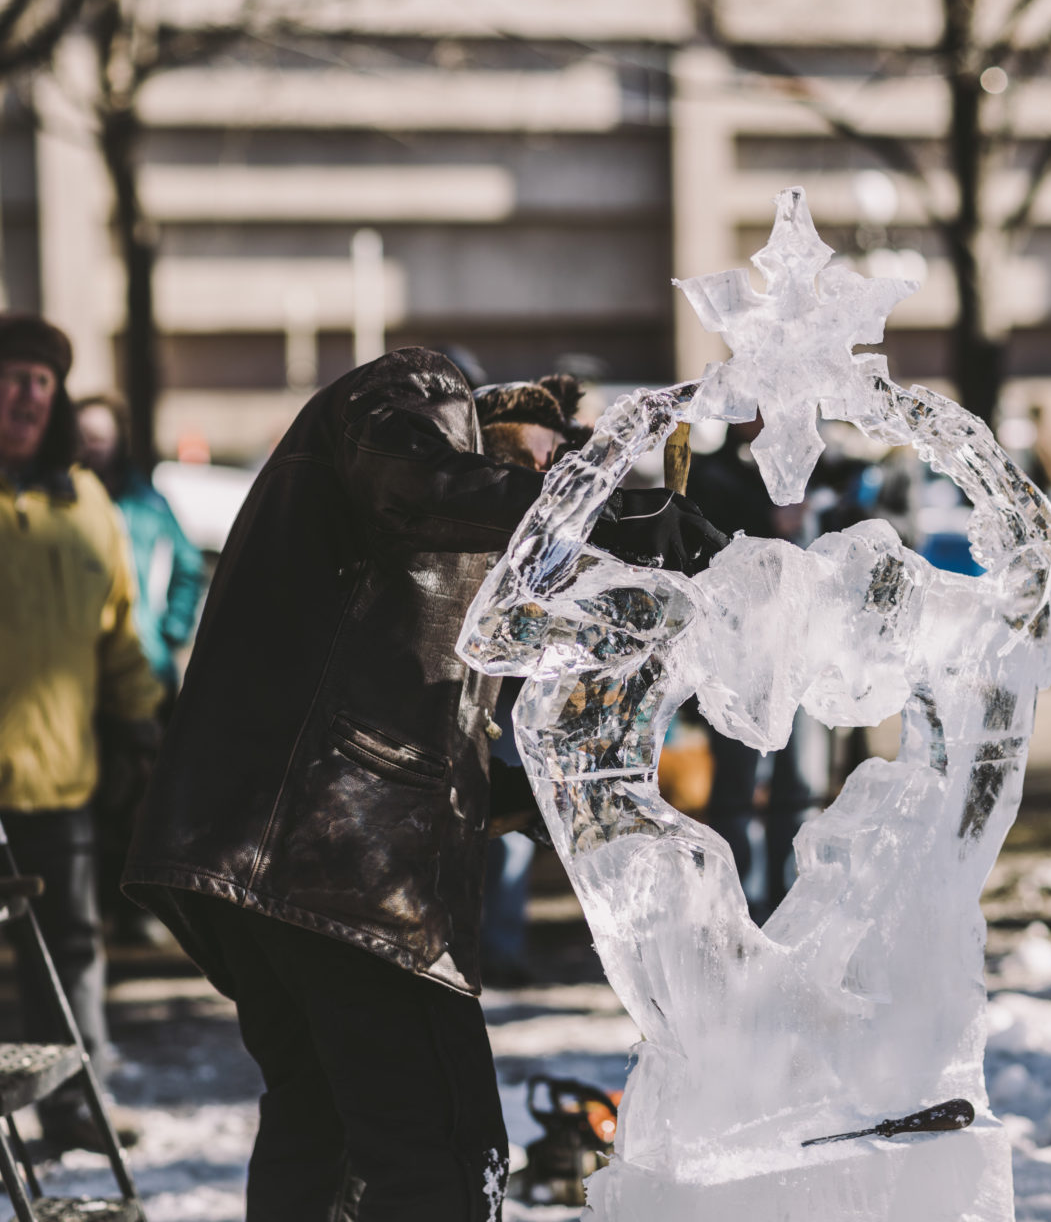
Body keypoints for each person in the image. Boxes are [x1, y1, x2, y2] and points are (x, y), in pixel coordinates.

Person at [123, 346, 724, 1221]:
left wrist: (563, 803)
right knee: (445, 1154)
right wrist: (610, 513)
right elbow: (418, 484)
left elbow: (441, 747)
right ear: (498, 422)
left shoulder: (442, 575)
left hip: (283, 858)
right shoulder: (420, 394)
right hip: (340, 865)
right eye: (548, 458)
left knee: (321, 1132)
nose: (557, 481)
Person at [0, 314, 163, 1153]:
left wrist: (144, 723)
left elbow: (119, 633)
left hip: (61, 777)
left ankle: (77, 1107)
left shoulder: (86, 500)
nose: (25, 394)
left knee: (71, 954)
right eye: (10, 377)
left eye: (39, 379)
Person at [472, 373, 592, 988]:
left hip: (523, 699)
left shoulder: (549, 503)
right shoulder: (495, 507)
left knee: (512, 827)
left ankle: (499, 947)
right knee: (483, 825)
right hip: (482, 700)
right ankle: (478, 948)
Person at [76, 393, 207, 942]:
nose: (93, 445)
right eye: (84, 434)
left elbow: (187, 570)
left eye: (101, 434)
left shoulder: (149, 507)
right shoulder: (61, 501)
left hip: (144, 669)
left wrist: (169, 633)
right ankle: (84, 905)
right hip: (75, 676)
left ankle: (132, 910)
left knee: (139, 797)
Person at [688, 415, 824, 922]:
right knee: (738, 783)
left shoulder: (813, 467)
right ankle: (739, 901)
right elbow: (711, 546)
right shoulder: (715, 473)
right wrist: (771, 522)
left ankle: (790, 895)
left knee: (799, 784)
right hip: (741, 654)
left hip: (801, 650)